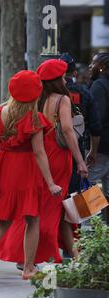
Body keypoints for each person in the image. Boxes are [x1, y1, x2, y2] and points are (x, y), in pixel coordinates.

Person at [0, 70, 62, 282]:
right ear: (35, 94)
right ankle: (28, 268)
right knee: (33, 219)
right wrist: (50, 182)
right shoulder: (34, 118)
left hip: (3, 169)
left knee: (4, 219)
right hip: (25, 171)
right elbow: (39, 152)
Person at [59, 53, 101, 256]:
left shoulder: (50, 95)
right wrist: (92, 150)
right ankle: (74, 248)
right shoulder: (84, 93)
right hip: (78, 152)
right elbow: (95, 126)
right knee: (75, 197)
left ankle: (52, 246)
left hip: (54, 154)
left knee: (55, 200)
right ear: (74, 72)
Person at [88, 53, 109, 224]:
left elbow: (97, 118)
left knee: (88, 183)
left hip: (101, 146)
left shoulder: (98, 86)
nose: (90, 66)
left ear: (101, 67)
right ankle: (105, 228)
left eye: (93, 63)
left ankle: (91, 226)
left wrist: (92, 148)